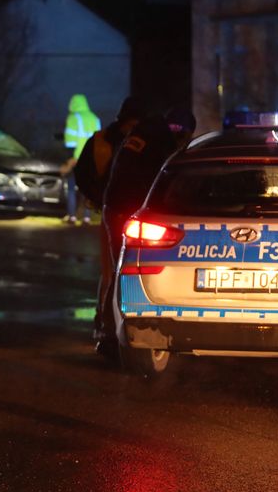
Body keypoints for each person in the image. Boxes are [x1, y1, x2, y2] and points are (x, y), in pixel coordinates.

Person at [98, 107, 196, 359]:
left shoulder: (144, 134)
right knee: (126, 273)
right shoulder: (161, 145)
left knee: (120, 272)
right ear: (181, 131)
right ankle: (111, 336)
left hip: (115, 206)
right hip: (130, 210)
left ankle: (107, 333)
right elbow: (158, 181)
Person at [73, 97, 147, 356]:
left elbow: (81, 175)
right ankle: (106, 327)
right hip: (116, 211)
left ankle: (107, 325)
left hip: (111, 210)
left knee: (112, 271)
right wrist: (99, 199)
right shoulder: (131, 142)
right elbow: (83, 174)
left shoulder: (102, 139)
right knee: (113, 271)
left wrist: (96, 199)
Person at [63, 93, 100, 224]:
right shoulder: (95, 119)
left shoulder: (73, 118)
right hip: (91, 159)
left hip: (76, 159)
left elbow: (70, 142)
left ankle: (72, 216)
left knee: (71, 188)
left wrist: (69, 158)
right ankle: (87, 217)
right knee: (86, 188)